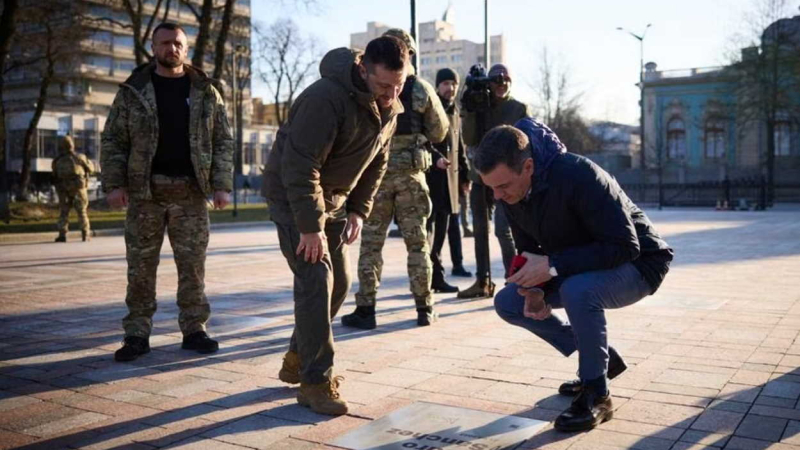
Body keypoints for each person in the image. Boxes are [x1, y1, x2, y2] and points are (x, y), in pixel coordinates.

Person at [474, 119, 673, 432]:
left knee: (578, 291)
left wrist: (552, 266)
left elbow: (625, 246)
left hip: (640, 263)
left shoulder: (579, 174)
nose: (497, 197)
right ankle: (602, 357)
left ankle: (597, 393)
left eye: (502, 187)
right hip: (578, 264)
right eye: (491, 189)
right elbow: (529, 253)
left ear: (528, 167)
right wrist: (534, 291)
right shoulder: (511, 193)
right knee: (508, 302)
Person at [263, 36, 408, 416]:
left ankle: (297, 356)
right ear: (363, 69)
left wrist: (359, 210)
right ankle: (315, 382)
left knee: (339, 284)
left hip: (335, 203)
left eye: (400, 85)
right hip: (294, 200)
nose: (392, 95)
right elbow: (300, 166)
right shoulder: (324, 99)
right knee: (315, 281)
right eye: (383, 86)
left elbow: (377, 162)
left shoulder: (388, 105)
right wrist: (310, 227)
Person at [101, 23, 233, 363]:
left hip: (190, 193)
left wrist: (221, 185)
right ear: (153, 47)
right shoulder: (133, 91)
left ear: (185, 49)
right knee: (140, 268)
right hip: (146, 193)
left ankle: (194, 330)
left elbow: (222, 140)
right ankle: (137, 333)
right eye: (165, 43)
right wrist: (115, 184)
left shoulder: (206, 91)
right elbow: (114, 139)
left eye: (177, 43)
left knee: (193, 267)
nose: (171, 49)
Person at [341, 29, 448, 330]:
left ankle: (366, 309)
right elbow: (440, 130)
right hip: (412, 176)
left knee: (371, 246)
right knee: (418, 246)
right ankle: (425, 307)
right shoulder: (421, 89)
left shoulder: (367, 85)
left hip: (375, 178)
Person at [458, 63, 530, 299]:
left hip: (507, 179)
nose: (502, 84)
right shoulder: (480, 107)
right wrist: (468, 110)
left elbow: (527, 142)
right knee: (479, 230)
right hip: (481, 177)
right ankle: (483, 281)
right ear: (489, 83)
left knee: (502, 230)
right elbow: (468, 138)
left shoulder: (518, 108)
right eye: (496, 80)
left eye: (506, 80)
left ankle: (513, 281)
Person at [425, 68, 470, 293]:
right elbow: (424, 140)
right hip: (431, 179)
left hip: (450, 182)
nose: (450, 88)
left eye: (453, 83)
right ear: (438, 85)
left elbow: (459, 145)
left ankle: (436, 275)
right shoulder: (431, 107)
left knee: (442, 230)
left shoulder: (455, 110)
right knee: (428, 230)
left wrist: (466, 174)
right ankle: (429, 275)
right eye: (445, 83)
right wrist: (436, 160)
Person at [52, 135, 93, 243]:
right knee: (82, 212)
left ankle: (62, 234)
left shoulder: (57, 160)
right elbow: (91, 169)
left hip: (63, 189)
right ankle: (85, 234)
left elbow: (54, 175)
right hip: (78, 189)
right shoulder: (80, 157)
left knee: (63, 212)